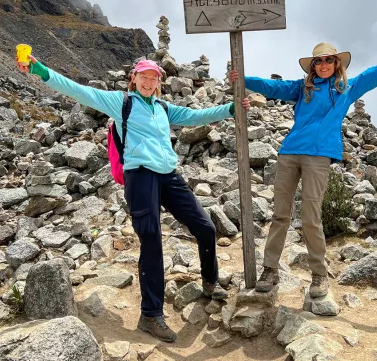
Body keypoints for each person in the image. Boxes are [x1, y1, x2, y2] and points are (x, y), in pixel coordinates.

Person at [16, 55, 250, 342]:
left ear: (159, 82)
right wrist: (40, 70)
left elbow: (196, 116)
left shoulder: (163, 108)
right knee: (151, 240)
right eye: (145, 77)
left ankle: (210, 282)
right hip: (140, 177)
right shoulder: (121, 102)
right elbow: (79, 90)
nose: (149, 82)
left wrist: (230, 108)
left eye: (154, 78)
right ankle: (150, 315)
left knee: (205, 227)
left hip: (168, 175)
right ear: (135, 79)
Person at [229, 34, 377, 298]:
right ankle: (270, 269)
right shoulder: (302, 88)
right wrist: (243, 79)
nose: (324, 64)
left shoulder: (347, 89)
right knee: (280, 215)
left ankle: (318, 275)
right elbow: (273, 87)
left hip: (319, 156)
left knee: (310, 217)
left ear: (337, 64)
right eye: (319, 61)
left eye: (329, 60)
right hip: (290, 152)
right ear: (313, 65)